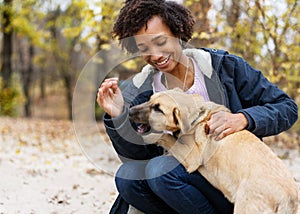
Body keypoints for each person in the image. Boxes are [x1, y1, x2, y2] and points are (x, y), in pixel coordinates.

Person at [97, 0, 298, 213]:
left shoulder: (226, 68)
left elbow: (286, 108)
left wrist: (243, 118)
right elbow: (137, 156)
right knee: (128, 177)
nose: (155, 55)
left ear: (177, 32)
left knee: (162, 170)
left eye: (161, 41)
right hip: (181, 189)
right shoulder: (142, 90)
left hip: (234, 188)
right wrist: (119, 115)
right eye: (144, 48)